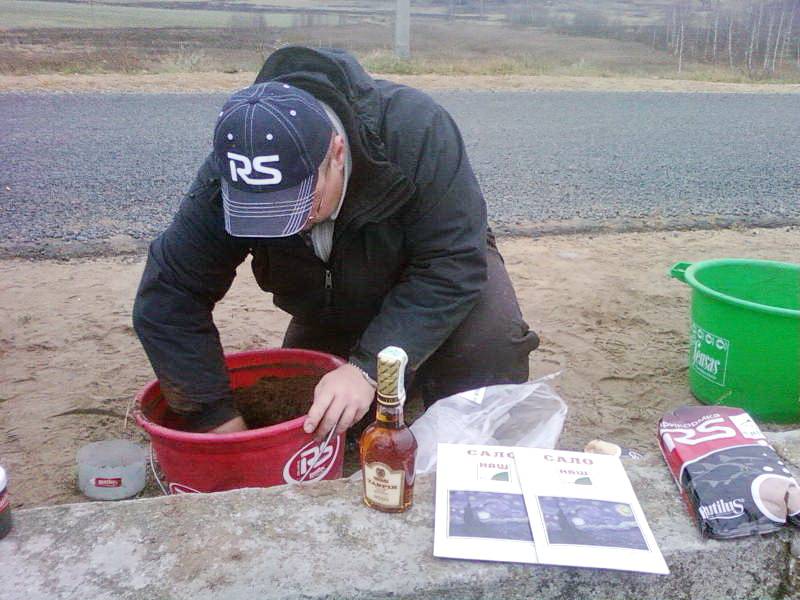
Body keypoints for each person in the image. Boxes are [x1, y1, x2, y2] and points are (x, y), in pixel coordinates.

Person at [133, 46, 539, 440]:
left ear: (337, 153)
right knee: (318, 417)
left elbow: (450, 262)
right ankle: (403, 366)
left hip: (428, 267)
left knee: (487, 349)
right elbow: (171, 293)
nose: (289, 227)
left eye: (298, 205)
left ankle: (426, 368)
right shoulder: (235, 170)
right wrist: (214, 416)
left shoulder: (416, 130)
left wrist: (367, 370)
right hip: (332, 301)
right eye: (260, 212)